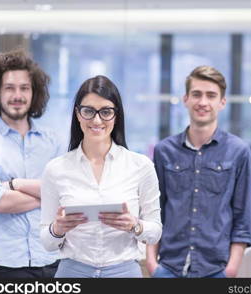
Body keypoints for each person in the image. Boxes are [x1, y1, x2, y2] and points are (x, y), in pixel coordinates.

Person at [40, 75, 162, 278]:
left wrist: (135, 225)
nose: (97, 120)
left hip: (124, 272)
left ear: (116, 116)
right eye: (88, 111)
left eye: (106, 112)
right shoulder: (55, 169)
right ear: (78, 114)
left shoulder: (141, 166)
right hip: (72, 272)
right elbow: (47, 242)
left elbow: (155, 232)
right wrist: (57, 229)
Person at [146, 66, 251, 278]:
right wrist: (152, 263)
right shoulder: (164, 150)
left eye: (211, 95)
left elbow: (245, 216)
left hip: (216, 270)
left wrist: (231, 269)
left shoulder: (238, 151)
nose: (203, 102)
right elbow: (154, 210)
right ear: (186, 99)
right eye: (196, 94)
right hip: (168, 269)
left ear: (222, 102)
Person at [0, 49, 61, 278]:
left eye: (24, 88)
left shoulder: (54, 142)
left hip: (54, 261)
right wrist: (47, 195)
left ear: (33, 93)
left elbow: (67, 193)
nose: (18, 95)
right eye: (10, 88)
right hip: (3, 268)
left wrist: (14, 184)